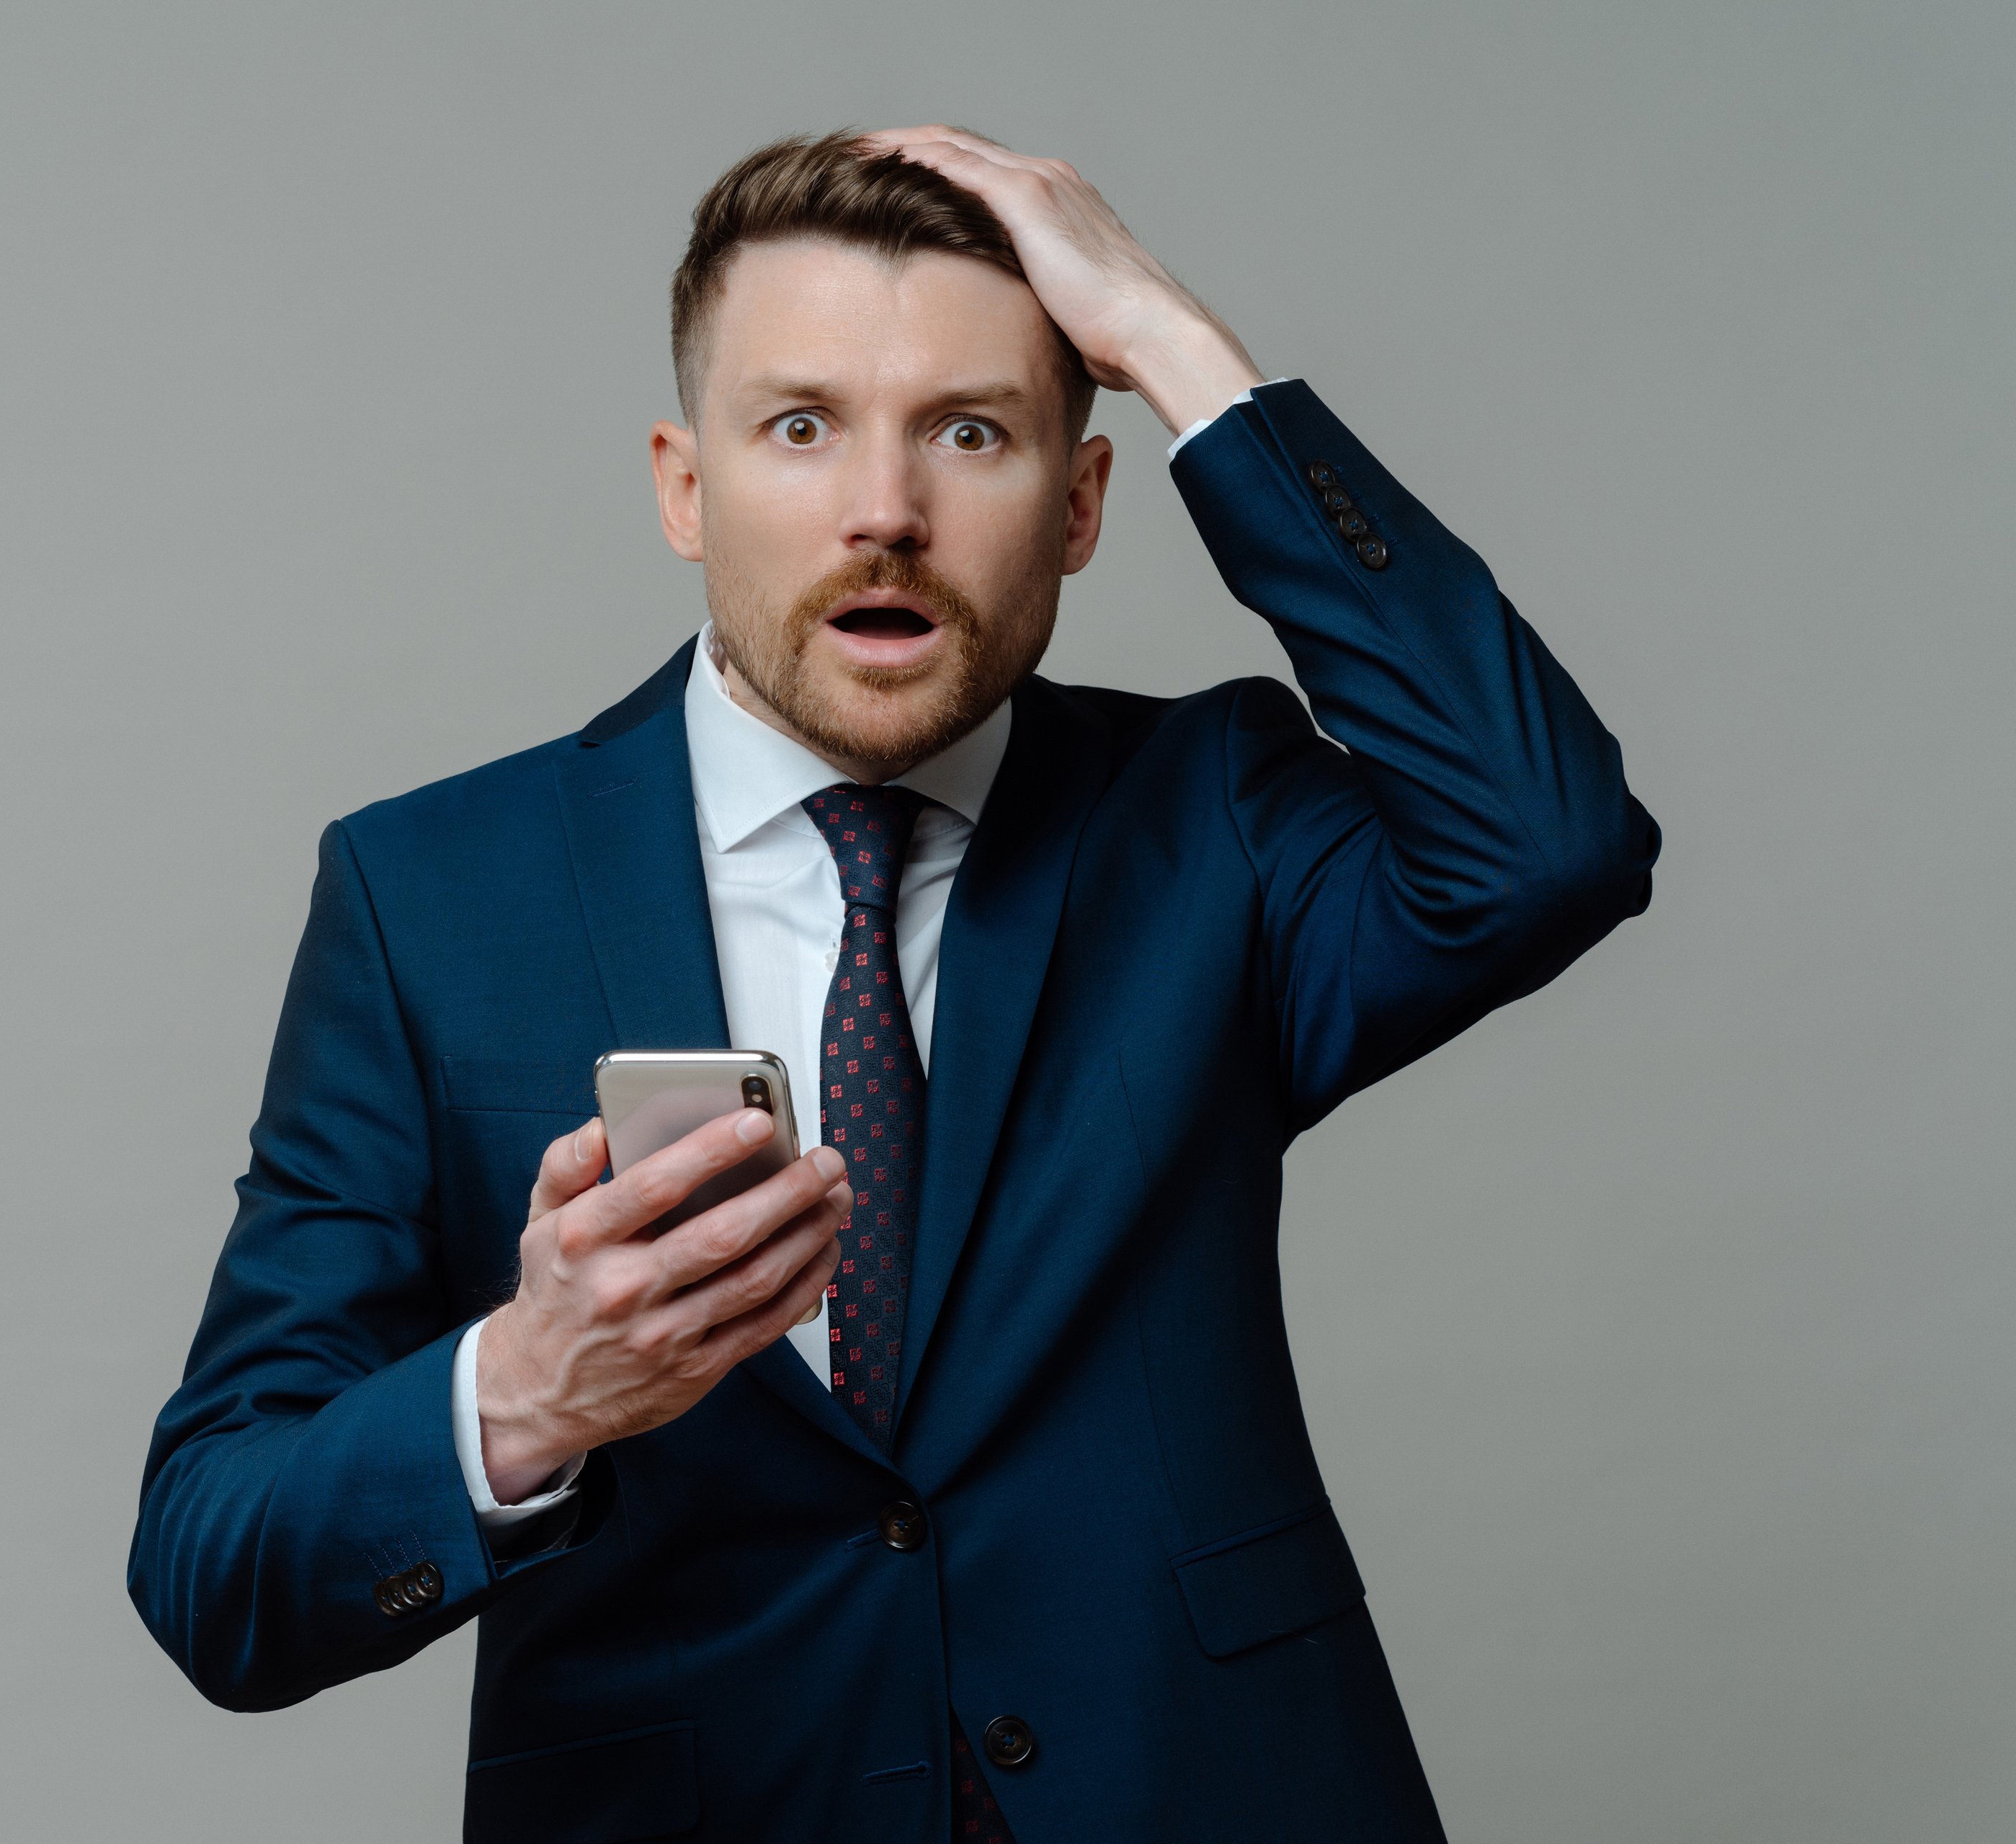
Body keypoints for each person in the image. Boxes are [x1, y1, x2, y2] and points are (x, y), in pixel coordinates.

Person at [129, 126, 1657, 1842]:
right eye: (801, 426)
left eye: (970, 431)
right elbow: (214, 1561)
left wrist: (1176, 347)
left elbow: (1550, 843)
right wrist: (534, 1382)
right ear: (683, 486)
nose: (884, 512)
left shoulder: (1211, 818)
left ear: (1080, 504)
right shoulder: (429, 896)